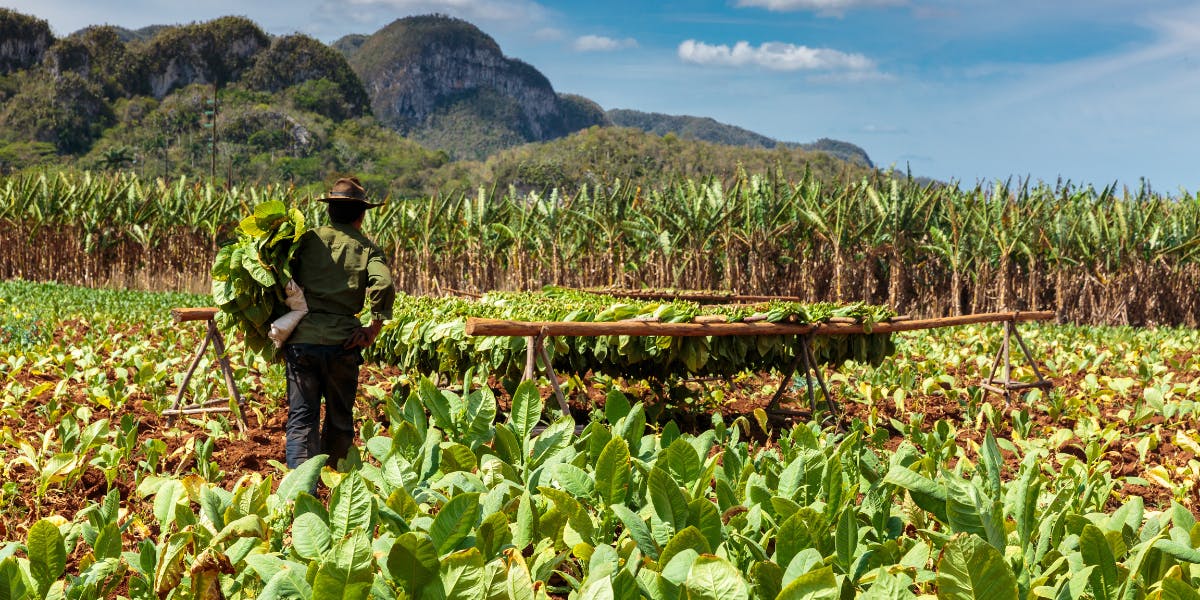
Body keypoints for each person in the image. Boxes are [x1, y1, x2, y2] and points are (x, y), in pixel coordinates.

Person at [284, 176, 395, 470]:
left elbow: (278, 277)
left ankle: (299, 493)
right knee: (339, 420)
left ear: (330, 211)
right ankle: (335, 488)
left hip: (302, 341)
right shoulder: (367, 248)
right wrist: (374, 327)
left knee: (301, 419)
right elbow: (383, 284)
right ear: (361, 215)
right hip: (342, 346)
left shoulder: (305, 241)